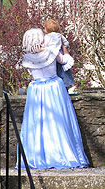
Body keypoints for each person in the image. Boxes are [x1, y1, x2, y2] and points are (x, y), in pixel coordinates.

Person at [16, 28, 89, 169]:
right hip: (53, 88)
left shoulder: (27, 58)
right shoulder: (51, 52)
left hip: (36, 89)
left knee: (37, 124)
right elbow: (66, 62)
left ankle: (37, 156)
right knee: (59, 122)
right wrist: (64, 48)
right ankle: (61, 154)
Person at [44, 18, 77, 94]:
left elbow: (44, 45)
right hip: (60, 52)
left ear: (47, 29)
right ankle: (69, 84)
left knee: (53, 70)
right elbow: (66, 43)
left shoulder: (46, 37)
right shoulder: (60, 36)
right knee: (64, 69)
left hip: (51, 54)